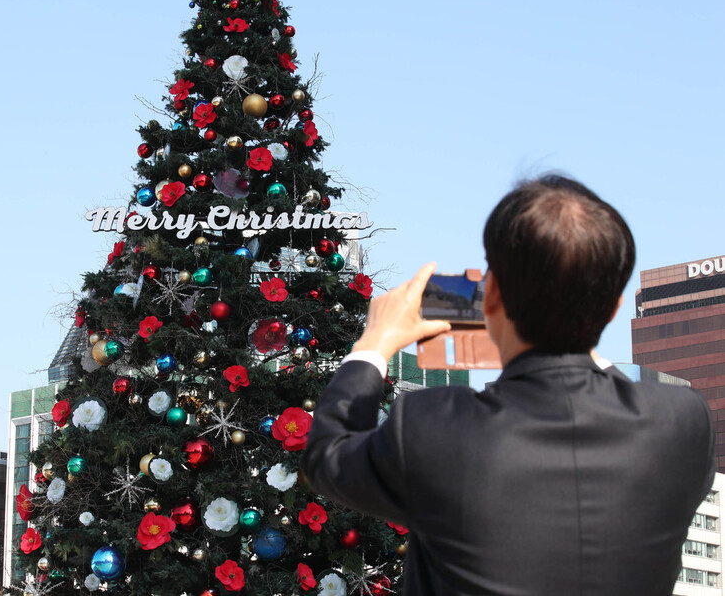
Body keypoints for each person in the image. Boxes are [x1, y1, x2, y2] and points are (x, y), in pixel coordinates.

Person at [302, 175, 714, 596]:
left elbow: (328, 456)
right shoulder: (683, 421)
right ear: (613, 309)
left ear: (491, 294)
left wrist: (375, 342)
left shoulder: (435, 426)